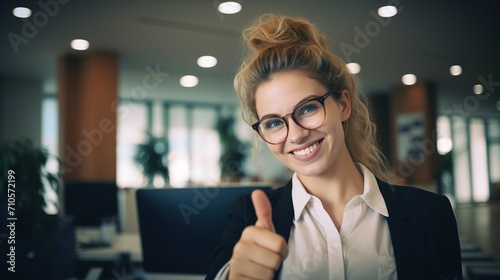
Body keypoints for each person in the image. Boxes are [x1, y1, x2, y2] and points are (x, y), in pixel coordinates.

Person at [206, 14, 462, 280]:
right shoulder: (248, 215)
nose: (296, 135)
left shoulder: (430, 213)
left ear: (343, 105)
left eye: (307, 108)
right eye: (273, 123)